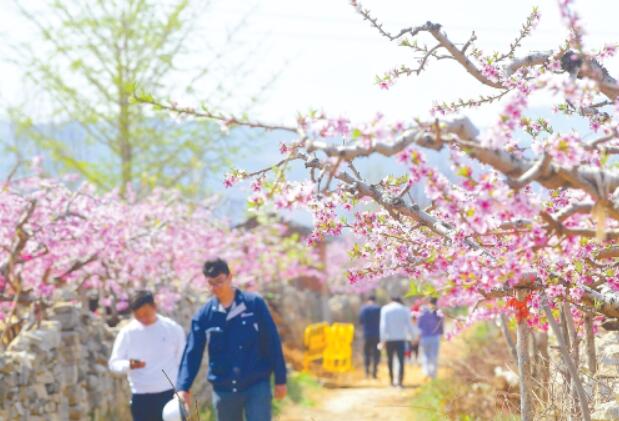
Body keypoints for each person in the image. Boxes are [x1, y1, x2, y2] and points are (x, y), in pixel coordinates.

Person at [176, 258, 287, 421]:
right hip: (224, 389)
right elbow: (192, 352)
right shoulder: (204, 316)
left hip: (256, 383)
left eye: (220, 281)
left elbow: (272, 341)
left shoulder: (254, 304)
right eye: (211, 283)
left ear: (230, 277)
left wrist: (280, 378)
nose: (216, 287)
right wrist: (183, 387)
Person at [108, 290, 186, 421]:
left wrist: (182, 389)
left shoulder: (172, 329)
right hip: (141, 396)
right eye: (138, 316)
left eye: (146, 314)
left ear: (154, 307)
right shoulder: (127, 333)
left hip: (169, 394)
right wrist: (128, 365)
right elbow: (114, 363)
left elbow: (183, 362)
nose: (143, 319)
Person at [379, 296, 419, 387]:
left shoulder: (385, 309)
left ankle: (392, 381)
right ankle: (400, 382)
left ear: (391, 300)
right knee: (401, 360)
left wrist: (382, 340)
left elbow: (383, 326)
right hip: (401, 339)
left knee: (390, 360)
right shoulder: (404, 309)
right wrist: (413, 337)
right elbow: (409, 325)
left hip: (389, 339)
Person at [418, 297, 444, 379]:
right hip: (435, 337)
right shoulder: (438, 311)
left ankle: (426, 372)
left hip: (424, 337)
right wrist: (442, 334)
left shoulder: (423, 311)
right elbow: (441, 325)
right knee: (434, 356)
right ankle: (433, 373)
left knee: (426, 355)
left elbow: (419, 325)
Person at [358, 295, 381, 379]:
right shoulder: (378, 309)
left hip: (366, 334)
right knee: (376, 354)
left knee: (366, 353)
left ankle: (367, 372)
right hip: (376, 334)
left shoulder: (363, 309)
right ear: (375, 300)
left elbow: (360, 321)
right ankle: (374, 372)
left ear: (368, 300)